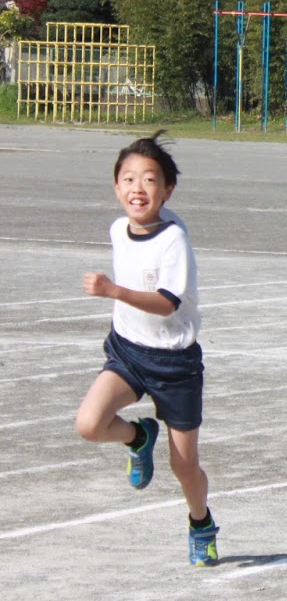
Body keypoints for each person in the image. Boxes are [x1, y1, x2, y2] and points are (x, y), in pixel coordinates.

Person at [73, 132, 218, 565]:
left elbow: (166, 303)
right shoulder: (119, 228)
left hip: (175, 363)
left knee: (184, 466)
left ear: (168, 190)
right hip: (128, 353)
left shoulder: (173, 239)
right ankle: (139, 437)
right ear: (116, 186)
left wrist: (113, 291)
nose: (139, 188)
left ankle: (201, 523)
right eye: (129, 178)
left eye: (151, 180)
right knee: (89, 424)